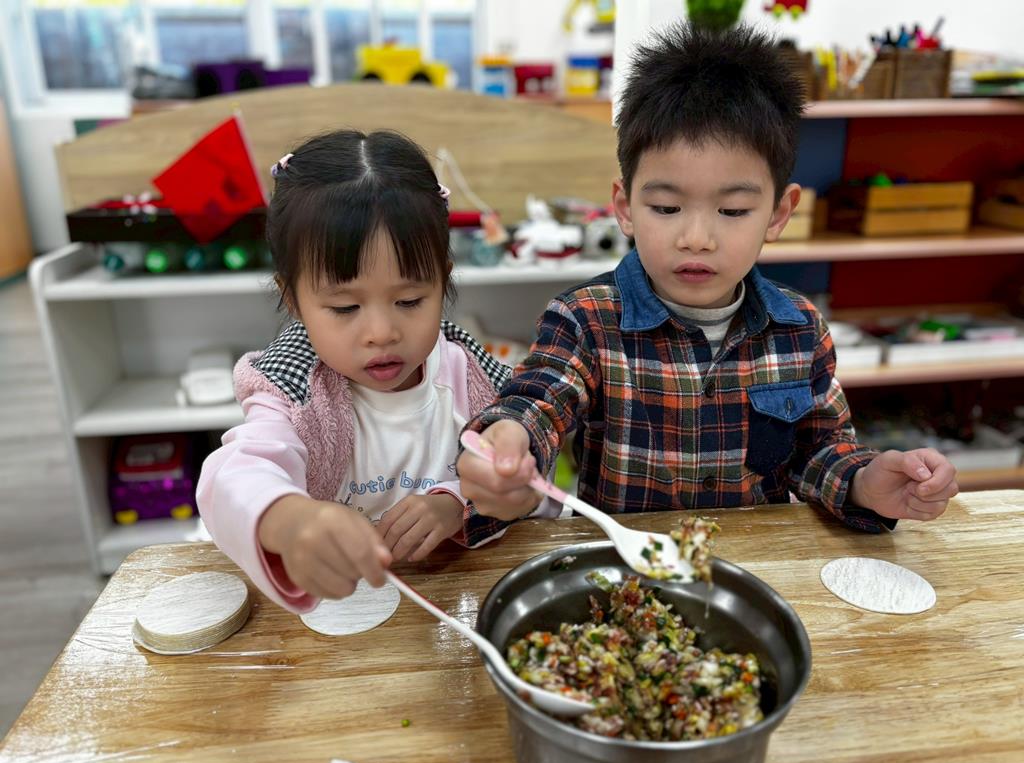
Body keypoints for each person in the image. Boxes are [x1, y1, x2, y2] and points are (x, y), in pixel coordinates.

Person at [457, 23, 958, 531]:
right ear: (624, 208)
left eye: (733, 211)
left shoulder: (800, 329)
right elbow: (539, 401)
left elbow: (820, 449)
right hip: (628, 568)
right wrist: (510, 440)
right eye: (666, 207)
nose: (696, 238)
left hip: (754, 565)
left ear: (778, 214)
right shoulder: (586, 320)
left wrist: (864, 482)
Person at [198, 129, 511, 612]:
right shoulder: (293, 391)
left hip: (452, 606)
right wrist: (291, 520)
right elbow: (233, 477)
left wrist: (458, 504)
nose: (381, 333)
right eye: (345, 308)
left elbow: (529, 486)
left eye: (410, 300)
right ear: (293, 300)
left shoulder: (472, 377)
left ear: (443, 282)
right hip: (335, 614)